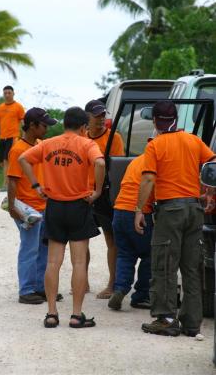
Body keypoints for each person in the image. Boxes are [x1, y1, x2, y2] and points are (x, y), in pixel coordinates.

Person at [134, 100, 216, 337]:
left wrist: (139, 209)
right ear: (176, 119)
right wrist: (209, 193)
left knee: (165, 264)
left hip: (170, 211)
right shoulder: (193, 140)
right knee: (192, 267)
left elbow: (148, 179)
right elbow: (212, 163)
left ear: (155, 121)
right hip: (194, 209)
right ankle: (192, 323)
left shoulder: (155, 145)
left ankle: (167, 319)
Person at [19, 107, 105, 328]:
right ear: (84, 126)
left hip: (54, 206)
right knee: (78, 262)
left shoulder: (47, 144)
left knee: (52, 262)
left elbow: (23, 159)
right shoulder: (87, 144)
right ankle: (76, 315)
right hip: (79, 205)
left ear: (65, 123)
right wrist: (96, 192)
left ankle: (51, 313)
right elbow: (100, 163)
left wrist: (37, 186)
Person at [7, 107, 59, 304]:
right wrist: (13, 207)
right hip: (27, 208)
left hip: (43, 206)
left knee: (43, 248)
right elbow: (12, 180)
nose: (46, 129)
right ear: (32, 126)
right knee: (29, 248)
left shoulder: (39, 144)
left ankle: (40, 287)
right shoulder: (18, 150)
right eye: (44, 125)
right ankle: (26, 290)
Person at [85, 99, 124, 299]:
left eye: (103, 115)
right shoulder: (81, 138)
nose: (101, 119)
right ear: (87, 118)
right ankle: (83, 282)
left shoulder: (113, 138)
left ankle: (112, 284)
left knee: (111, 239)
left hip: (105, 195)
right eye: (96, 116)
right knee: (82, 240)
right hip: (84, 194)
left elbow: (117, 169)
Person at [108, 153, 154, 311]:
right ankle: (141, 295)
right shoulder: (155, 162)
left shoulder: (137, 161)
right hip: (138, 213)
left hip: (119, 210)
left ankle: (120, 289)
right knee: (150, 254)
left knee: (125, 254)